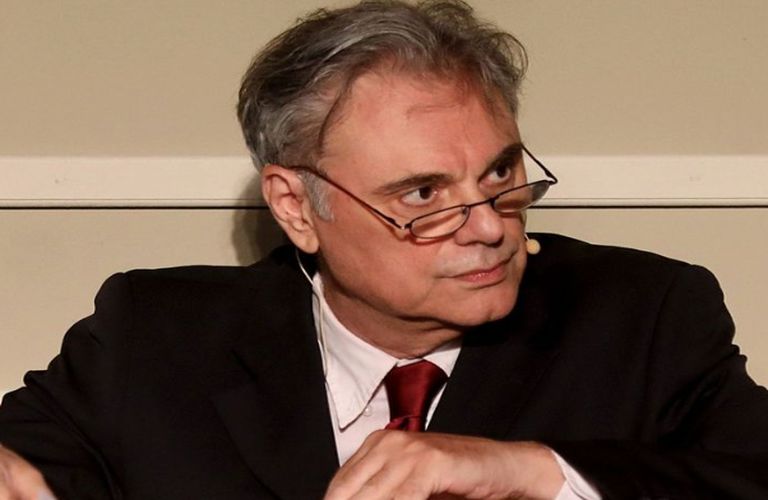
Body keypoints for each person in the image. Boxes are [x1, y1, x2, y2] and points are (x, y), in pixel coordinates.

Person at [2, 1, 768, 498]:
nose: (488, 226)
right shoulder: (157, 336)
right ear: (297, 207)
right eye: (423, 194)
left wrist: (530, 470)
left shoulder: (641, 318)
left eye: (501, 173)